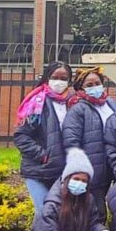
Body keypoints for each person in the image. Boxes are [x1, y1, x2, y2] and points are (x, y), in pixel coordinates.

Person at [14, 61, 74, 220]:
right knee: (44, 213)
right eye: (55, 77)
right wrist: (42, 155)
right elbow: (21, 136)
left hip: (63, 171)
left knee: (60, 215)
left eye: (64, 78)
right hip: (38, 170)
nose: (59, 82)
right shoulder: (37, 102)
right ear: (48, 78)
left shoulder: (73, 102)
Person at [63, 66, 116, 217]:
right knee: (96, 212)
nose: (95, 87)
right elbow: (71, 140)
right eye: (89, 85)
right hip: (93, 169)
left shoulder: (111, 104)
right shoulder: (78, 108)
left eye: (97, 83)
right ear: (81, 88)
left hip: (113, 165)